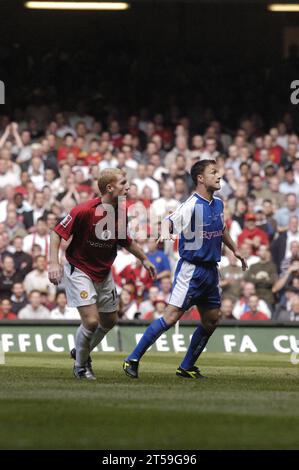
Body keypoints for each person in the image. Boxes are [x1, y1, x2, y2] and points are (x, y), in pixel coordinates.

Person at [123, 159, 248, 380]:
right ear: (200, 178)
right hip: (192, 270)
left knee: (211, 319)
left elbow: (222, 228)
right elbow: (170, 221)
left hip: (211, 271)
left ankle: (186, 366)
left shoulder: (218, 203)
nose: (219, 176)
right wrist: (166, 231)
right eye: (213, 172)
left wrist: (234, 249)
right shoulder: (190, 205)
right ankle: (132, 359)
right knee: (170, 317)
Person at [48, 168, 156, 380]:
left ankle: (81, 350)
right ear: (110, 187)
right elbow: (56, 233)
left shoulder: (121, 212)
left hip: (103, 272)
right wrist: (54, 262)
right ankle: (81, 366)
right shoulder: (84, 210)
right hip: (79, 269)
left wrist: (144, 258)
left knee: (110, 321)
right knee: (91, 322)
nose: (128, 186)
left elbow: (126, 241)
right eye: (124, 182)